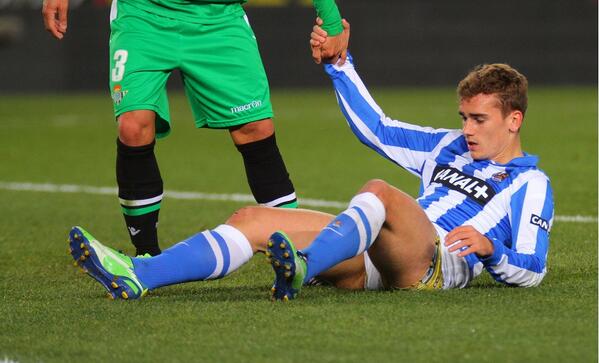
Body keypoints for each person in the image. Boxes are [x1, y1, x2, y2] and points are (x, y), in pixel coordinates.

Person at [67, 20, 553, 301]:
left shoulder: (530, 183)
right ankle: (140, 274)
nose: (467, 129)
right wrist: (341, 67)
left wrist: (492, 250)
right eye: (464, 117)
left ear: (513, 120)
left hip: (430, 264)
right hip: (373, 256)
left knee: (379, 191)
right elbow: (378, 129)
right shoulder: (447, 146)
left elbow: (533, 269)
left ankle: (303, 265)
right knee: (253, 219)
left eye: (479, 120)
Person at [42, 0, 349, 257]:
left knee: (255, 128)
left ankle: (299, 252)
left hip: (219, 17)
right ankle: (146, 255)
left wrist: (332, 21)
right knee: (134, 125)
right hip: (143, 15)